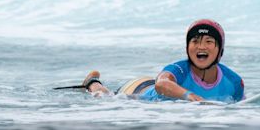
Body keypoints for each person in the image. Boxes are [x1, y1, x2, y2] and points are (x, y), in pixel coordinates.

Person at [82, 19, 244, 102]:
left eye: (208, 42)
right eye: (195, 41)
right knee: (105, 97)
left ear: (220, 49)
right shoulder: (180, 69)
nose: (201, 47)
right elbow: (161, 84)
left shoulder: (234, 81)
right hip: (139, 93)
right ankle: (92, 82)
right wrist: (190, 96)